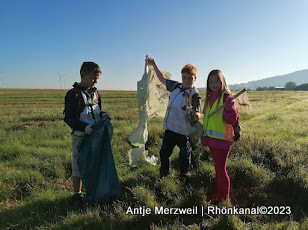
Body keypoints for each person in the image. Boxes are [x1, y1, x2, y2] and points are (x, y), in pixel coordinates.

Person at [147, 57, 201, 177]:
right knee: (164, 153)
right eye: (184, 78)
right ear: (181, 77)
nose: (187, 81)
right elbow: (162, 79)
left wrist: (195, 114)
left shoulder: (195, 96)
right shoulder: (176, 86)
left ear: (195, 78)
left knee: (184, 155)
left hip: (184, 132)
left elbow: (197, 112)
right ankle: (164, 174)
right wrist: (154, 64)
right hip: (170, 129)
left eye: (190, 78)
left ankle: (184, 176)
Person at [64, 61, 104, 204]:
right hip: (80, 137)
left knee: (94, 164)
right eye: (93, 78)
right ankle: (77, 194)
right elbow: (68, 118)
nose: (95, 82)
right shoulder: (73, 94)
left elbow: (97, 111)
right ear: (82, 75)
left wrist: (104, 115)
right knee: (78, 166)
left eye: (97, 79)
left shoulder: (96, 93)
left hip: (95, 137)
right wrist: (84, 128)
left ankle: (92, 191)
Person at [202, 69, 241, 202]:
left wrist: (230, 108)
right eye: (211, 81)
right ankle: (220, 194)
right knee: (218, 169)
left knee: (221, 169)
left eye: (217, 81)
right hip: (212, 140)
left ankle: (224, 198)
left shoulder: (226, 98)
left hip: (222, 141)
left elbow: (232, 119)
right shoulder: (210, 97)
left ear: (222, 81)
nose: (214, 84)